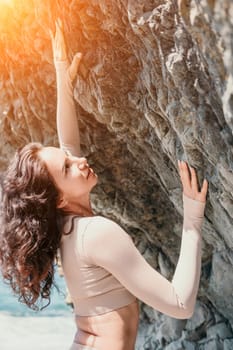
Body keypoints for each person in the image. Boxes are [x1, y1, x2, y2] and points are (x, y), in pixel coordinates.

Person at [0, 20, 208, 350]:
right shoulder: (96, 232)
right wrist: (193, 221)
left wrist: (61, 75)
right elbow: (179, 304)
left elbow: (68, 145)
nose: (80, 161)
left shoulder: (64, 229)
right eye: (68, 168)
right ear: (55, 198)